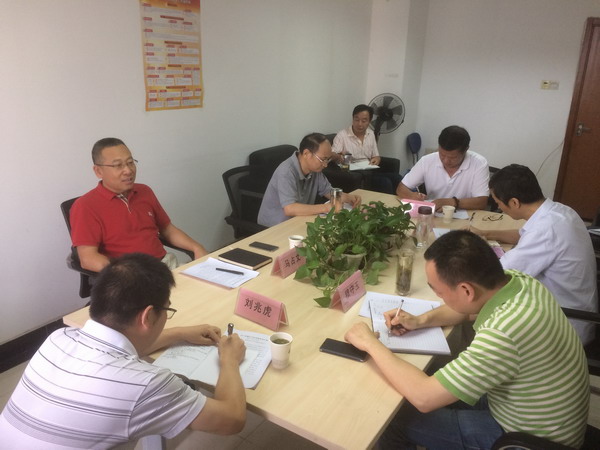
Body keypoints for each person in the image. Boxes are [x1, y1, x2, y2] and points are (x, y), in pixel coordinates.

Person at [345, 230, 589, 449]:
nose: (439, 297)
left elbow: (424, 398)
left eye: (439, 291)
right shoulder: (518, 282)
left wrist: (370, 343)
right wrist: (420, 320)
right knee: (422, 378)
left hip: (527, 439)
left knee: (392, 418)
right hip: (533, 408)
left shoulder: (504, 332)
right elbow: (470, 310)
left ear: (466, 290)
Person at [0, 253, 247, 447]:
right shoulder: (146, 384)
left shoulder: (58, 338)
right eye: (167, 310)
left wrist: (180, 333)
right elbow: (232, 420)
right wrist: (229, 360)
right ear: (147, 316)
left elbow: (122, 348)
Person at [470, 164, 598, 345]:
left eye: (498, 203)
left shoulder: (546, 229)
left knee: (473, 313)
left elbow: (499, 274)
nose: (499, 207)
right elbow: (523, 234)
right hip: (574, 306)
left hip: (565, 323)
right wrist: (486, 233)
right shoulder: (559, 211)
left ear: (514, 203)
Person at [70, 137, 208, 272]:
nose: (128, 170)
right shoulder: (85, 206)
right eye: (118, 165)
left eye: (130, 162)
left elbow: (167, 229)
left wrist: (196, 247)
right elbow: (88, 259)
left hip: (165, 265)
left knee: (212, 282)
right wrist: (128, 274)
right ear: (98, 171)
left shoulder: (144, 191)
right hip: (128, 276)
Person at [257, 132, 361, 227]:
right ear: (306, 153)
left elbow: (329, 192)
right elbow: (290, 209)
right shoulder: (286, 172)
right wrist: (327, 207)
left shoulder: (315, 170)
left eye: (328, 160)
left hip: (298, 220)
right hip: (273, 227)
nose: (325, 165)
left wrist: (349, 198)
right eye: (323, 159)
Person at [396, 125, 489, 210]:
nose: (446, 161)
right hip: (433, 213)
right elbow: (401, 188)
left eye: (452, 157)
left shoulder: (479, 164)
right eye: (442, 155)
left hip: (465, 215)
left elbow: (482, 202)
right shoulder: (427, 161)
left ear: (466, 150)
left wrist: (450, 202)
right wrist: (411, 196)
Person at [331, 104, 402, 194]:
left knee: (398, 178)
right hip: (353, 172)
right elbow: (332, 155)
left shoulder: (370, 134)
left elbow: (376, 156)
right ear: (353, 119)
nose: (360, 124)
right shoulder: (342, 135)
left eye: (364, 121)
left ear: (370, 121)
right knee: (385, 182)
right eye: (357, 120)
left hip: (369, 170)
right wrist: (339, 156)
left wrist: (377, 159)